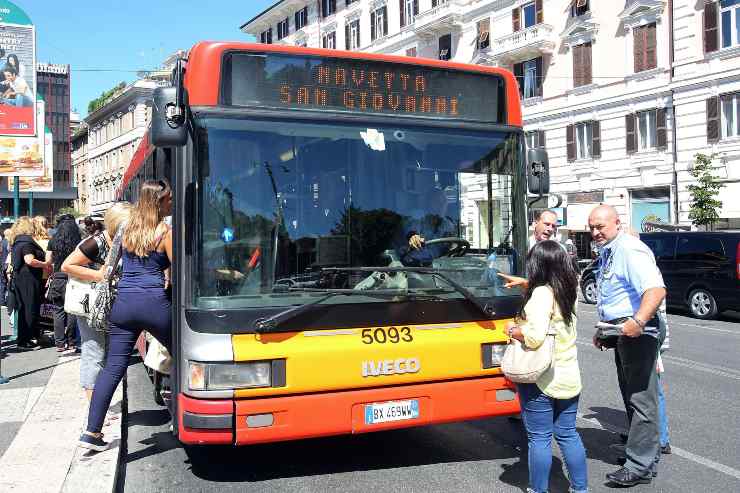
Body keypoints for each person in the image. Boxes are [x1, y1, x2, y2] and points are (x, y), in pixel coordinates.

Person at [79, 181, 172, 452]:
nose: (171, 204)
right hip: (155, 304)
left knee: (113, 368)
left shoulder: (124, 229)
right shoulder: (164, 231)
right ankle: (180, 413)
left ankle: (92, 432)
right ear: (157, 202)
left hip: (123, 305)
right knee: (186, 353)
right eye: (168, 199)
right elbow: (180, 271)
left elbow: (109, 268)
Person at [588, 204, 666, 487]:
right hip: (623, 330)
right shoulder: (611, 250)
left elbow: (655, 289)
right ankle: (642, 455)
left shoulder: (629, 249)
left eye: (600, 226)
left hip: (638, 332)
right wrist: (607, 332)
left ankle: (640, 465)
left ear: (617, 224)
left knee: (641, 399)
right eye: (592, 227)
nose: (595, 232)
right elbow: (617, 295)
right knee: (632, 397)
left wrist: (639, 320)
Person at [504, 240, 587, 493]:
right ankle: (581, 489)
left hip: (542, 378)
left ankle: (538, 490)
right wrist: (527, 286)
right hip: (569, 377)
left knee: (539, 438)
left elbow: (534, 337)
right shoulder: (569, 290)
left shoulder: (541, 294)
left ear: (537, 264)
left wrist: (513, 330)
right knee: (568, 434)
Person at [63, 203, 132, 399]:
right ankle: (94, 403)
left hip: (112, 304)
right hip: (92, 306)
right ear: (118, 224)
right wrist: (98, 275)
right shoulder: (97, 242)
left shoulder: (124, 241)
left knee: (109, 352)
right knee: (94, 351)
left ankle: (100, 398)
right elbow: (66, 265)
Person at [9, 217, 51, 349]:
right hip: (28, 279)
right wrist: (45, 264)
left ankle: (24, 339)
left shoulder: (18, 241)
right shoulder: (27, 242)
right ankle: (25, 339)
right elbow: (29, 260)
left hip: (21, 279)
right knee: (29, 309)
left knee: (23, 309)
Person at [46, 214, 82, 351]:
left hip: (58, 277)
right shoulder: (79, 240)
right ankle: (72, 341)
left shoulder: (53, 240)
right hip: (73, 276)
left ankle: (60, 343)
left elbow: (48, 260)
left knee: (58, 310)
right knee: (72, 311)